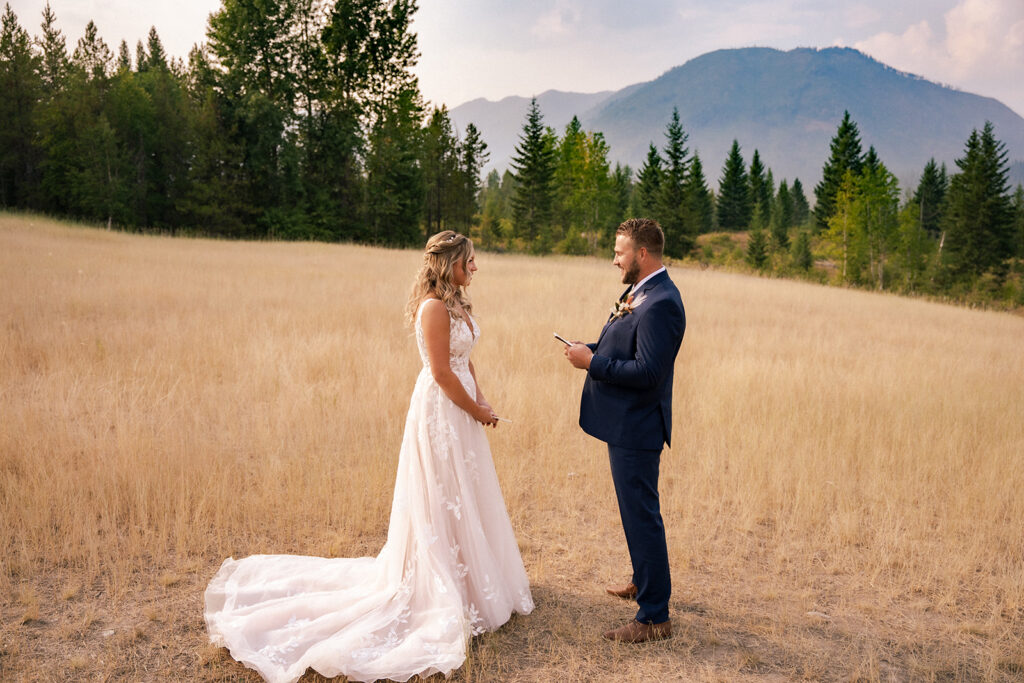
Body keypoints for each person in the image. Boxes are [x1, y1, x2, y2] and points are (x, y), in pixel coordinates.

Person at [204, 230, 533, 683]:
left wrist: (484, 400)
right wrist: (473, 407)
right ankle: (437, 585)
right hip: (442, 411)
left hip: (463, 411)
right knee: (440, 496)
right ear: (448, 264)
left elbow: (465, 361)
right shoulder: (435, 307)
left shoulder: (458, 302)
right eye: (469, 261)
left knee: (464, 492)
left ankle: (472, 581)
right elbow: (440, 372)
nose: (475, 268)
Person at [563, 218, 685, 644]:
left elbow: (649, 371)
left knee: (643, 516)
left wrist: (592, 364)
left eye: (620, 252)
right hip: (624, 422)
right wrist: (591, 349)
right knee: (634, 513)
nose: (615, 259)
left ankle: (654, 617)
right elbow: (626, 347)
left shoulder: (662, 302)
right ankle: (642, 580)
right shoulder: (641, 291)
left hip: (638, 426)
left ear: (643, 254)